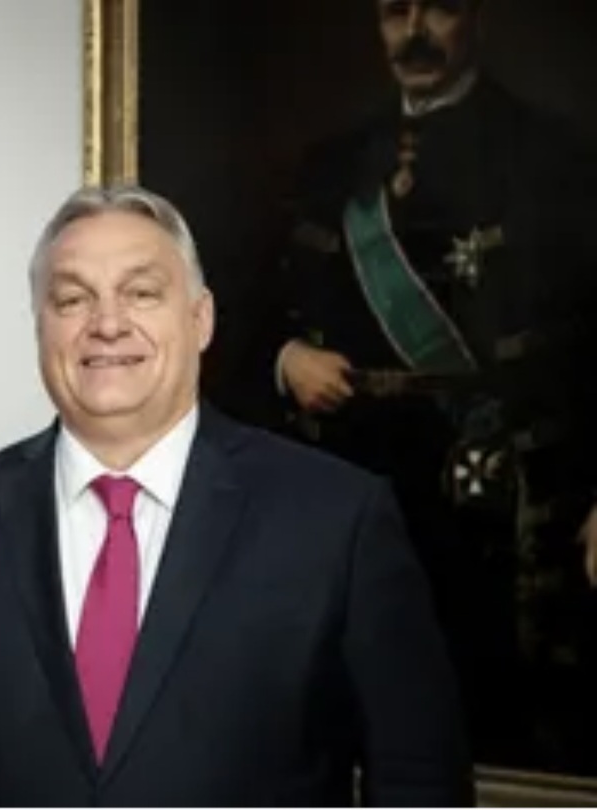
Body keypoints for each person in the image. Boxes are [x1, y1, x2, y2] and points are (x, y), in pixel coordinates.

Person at [0, 184, 473, 805]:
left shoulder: (336, 517)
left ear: (201, 319)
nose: (107, 324)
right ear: (41, 327)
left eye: (142, 293)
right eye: (72, 299)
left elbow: (419, 774)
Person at [272, 0, 597, 771]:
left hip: (495, 491)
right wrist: (286, 359)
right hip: (352, 483)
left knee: (483, 715)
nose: (414, 32)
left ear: (479, 17)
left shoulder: (555, 155)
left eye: (439, 8)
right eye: (395, 12)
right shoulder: (332, 162)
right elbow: (259, 304)